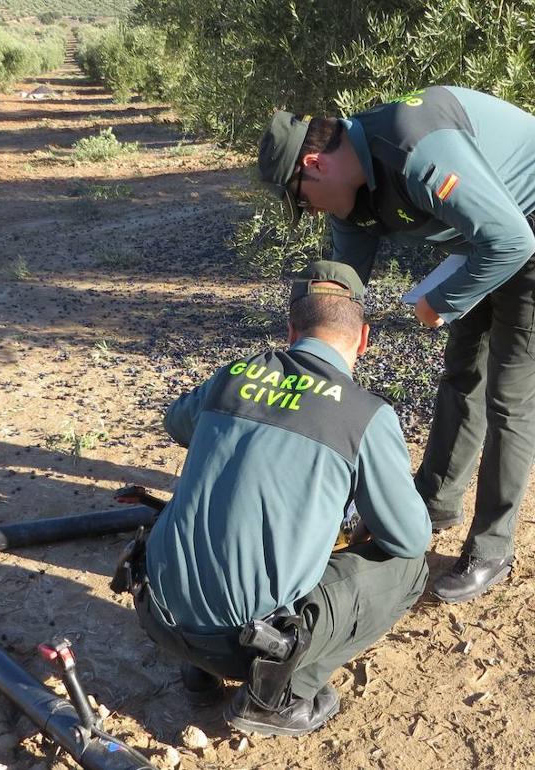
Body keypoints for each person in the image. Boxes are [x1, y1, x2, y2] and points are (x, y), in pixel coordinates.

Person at [258, 86, 535, 604]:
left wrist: (441, 300)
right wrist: (308, 362)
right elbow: (343, 292)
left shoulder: (415, 153)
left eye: (300, 198)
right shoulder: (351, 197)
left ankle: (492, 547)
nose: (309, 210)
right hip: (485, 237)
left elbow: (512, 241)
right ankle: (434, 502)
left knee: (512, 397)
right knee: (464, 374)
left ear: (315, 164)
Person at [135, 260, 430, 737]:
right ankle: (277, 696)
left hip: (155, 613)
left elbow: (177, 423)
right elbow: (410, 538)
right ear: (363, 339)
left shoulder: (233, 376)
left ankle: (198, 671)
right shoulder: (365, 415)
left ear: (291, 331)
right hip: (243, 645)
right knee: (410, 568)